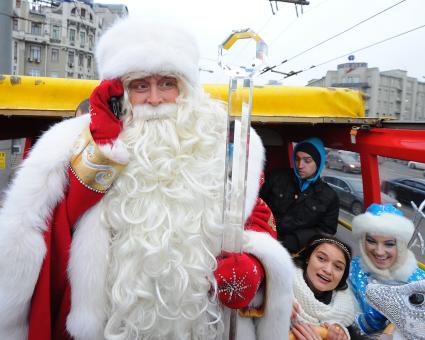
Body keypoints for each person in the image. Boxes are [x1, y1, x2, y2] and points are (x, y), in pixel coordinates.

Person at [0, 18, 295, 340]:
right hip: (113, 323)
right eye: (140, 86)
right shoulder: (78, 141)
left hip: (203, 323)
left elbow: (253, 216)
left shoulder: (222, 143)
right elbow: (56, 226)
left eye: (167, 83)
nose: (154, 99)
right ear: (118, 90)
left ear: (185, 87)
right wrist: (104, 148)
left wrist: (254, 265)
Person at [349, 203, 425, 337]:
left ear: (401, 245)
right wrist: (369, 320)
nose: (379, 251)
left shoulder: (419, 283)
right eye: (371, 241)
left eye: (389, 244)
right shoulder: (351, 269)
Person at [260, 137, 339, 254]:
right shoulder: (276, 178)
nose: (300, 165)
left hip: (297, 250)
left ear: (318, 163)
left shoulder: (329, 197)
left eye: (307, 161)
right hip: (264, 238)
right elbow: (258, 204)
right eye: (297, 159)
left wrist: (295, 240)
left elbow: (326, 231)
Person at [290, 234, 356, 340]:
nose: (328, 270)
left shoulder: (345, 316)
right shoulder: (278, 287)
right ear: (308, 258)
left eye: (338, 267)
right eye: (321, 258)